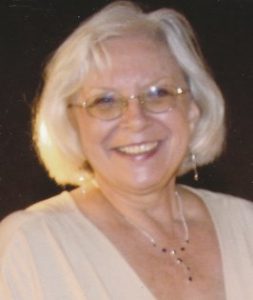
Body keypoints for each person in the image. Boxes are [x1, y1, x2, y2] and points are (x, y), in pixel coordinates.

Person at [0, 1, 252, 299]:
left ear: (193, 109)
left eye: (158, 93)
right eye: (104, 101)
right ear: (71, 123)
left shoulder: (246, 224)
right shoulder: (29, 246)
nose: (136, 120)